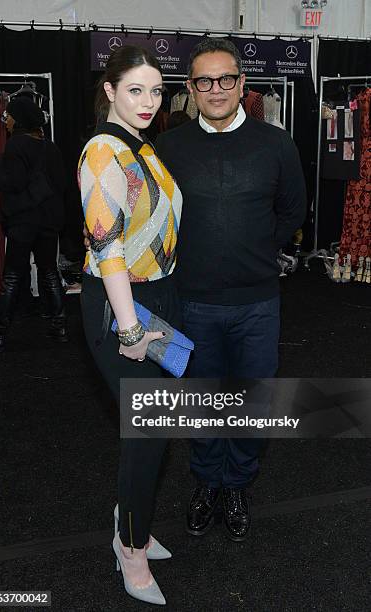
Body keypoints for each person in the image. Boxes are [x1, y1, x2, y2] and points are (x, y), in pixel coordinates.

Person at [155, 39, 307, 542]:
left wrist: (257, 251)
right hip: (192, 303)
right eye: (204, 81)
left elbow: (292, 210)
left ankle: (238, 485)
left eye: (225, 79)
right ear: (191, 89)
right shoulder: (169, 149)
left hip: (258, 305)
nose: (215, 89)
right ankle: (207, 485)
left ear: (242, 85)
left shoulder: (276, 144)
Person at [78, 46, 182, 606]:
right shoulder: (102, 151)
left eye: (156, 91)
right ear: (110, 91)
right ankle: (131, 547)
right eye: (135, 90)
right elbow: (107, 246)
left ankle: (130, 515)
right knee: (148, 432)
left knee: (156, 430)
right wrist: (129, 329)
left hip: (158, 299)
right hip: (120, 307)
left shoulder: (142, 148)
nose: (147, 102)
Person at [0, 96, 68, 352]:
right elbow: (62, 184)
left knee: (11, 276)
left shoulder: (15, 145)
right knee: (49, 271)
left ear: (18, 119)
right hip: (48, 223)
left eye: (8, 116)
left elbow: (13, 183)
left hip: (23, 222)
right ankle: (59, 325)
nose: (6, 121)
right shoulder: (50, 147)